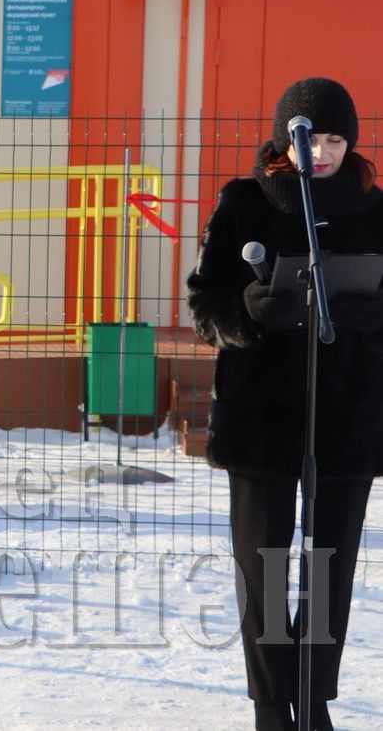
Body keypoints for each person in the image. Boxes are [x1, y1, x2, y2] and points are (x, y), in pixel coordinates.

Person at [187, 77, 383, 731]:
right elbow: (203, 304)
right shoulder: (244, 203)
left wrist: (369, 313)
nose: (322, 152)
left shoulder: (373, 207)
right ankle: (271, 703)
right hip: (260, 418)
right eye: (310, 138)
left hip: (347, 416)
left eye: (335, 138)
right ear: (283, 138)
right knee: (265, 565)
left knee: (329, 568)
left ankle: (313, 699)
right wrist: (244, 312)